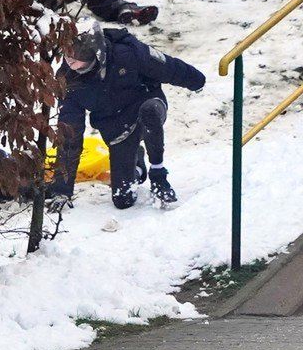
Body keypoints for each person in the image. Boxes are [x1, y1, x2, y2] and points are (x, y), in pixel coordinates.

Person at [52, 18, 206, 210]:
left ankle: (158, 175)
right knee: (123, 200)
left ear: (95, 49)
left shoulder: (127, 52)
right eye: (67, 51)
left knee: (149, 111)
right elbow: (69, 134)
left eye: (78, 51)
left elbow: (167, 66)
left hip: (147, 106)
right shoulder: (67, 80)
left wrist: (197, 81)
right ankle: (137, 164)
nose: (70, 58)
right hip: (117, 130)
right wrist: (62, 190)